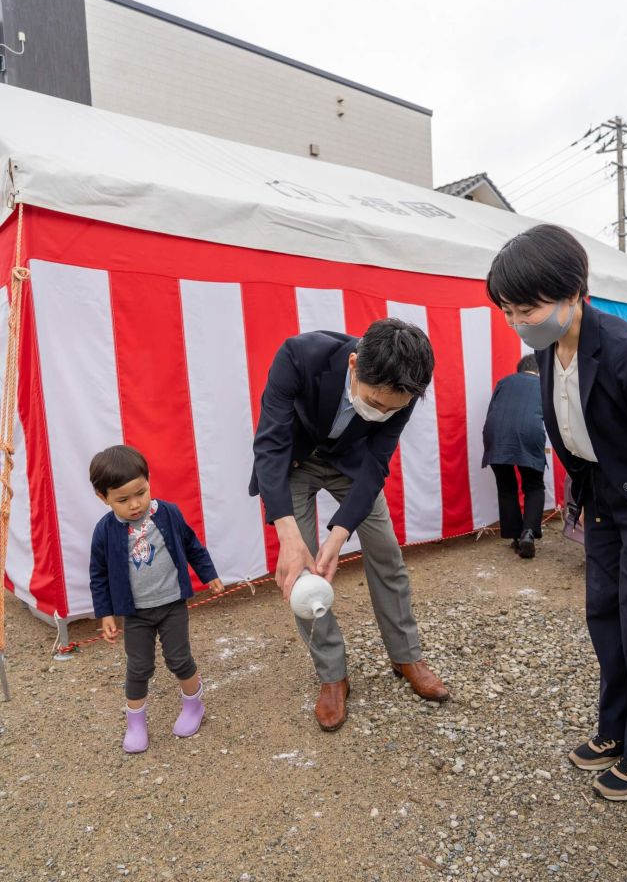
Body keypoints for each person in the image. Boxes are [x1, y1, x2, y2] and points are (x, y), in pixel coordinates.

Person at [487, 223, 627, 801]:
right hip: (604, 497)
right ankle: (616, 729)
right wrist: (582, 501)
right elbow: (573, 436)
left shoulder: (626, 351)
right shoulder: (545, 349)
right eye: (509, 310)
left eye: (528, 307)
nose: (519, 320)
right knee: (605, 616)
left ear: (574, 292)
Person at [250, 317, 449, 732]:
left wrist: (340, 534)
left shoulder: (404, 386)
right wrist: (288, 534)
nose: (382, 412)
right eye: (375, 403)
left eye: (392, 408)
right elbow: (271, 442)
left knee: (387, 555)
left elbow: (377, 461)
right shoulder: (300, 356)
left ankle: (406, 655)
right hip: (295, 463)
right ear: (354, 364)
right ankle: (332, 673)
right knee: (303, 577)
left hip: (353, 468)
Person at [89, 445, 224, 753]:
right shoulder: (105, 531)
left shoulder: (168, 514)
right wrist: (105, 613)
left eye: (141, 492)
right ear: (103, 498)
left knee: (179, 659)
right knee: (138, 666)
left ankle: (193, 706)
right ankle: (135, 724)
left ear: (149, 481)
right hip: (135, 613)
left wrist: (209, 574)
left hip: (172, 604)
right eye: (123, 500)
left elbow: (192, 545)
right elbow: (98, 574)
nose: (135, 504)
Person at [482, 353, 546, 558]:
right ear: (538, 371)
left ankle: (516, 537)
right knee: (534, 484)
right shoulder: (543, 385)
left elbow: (493, 410)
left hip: (496, 434)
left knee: (506, 486)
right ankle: (528, 532)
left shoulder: (504, 382)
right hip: (529, 433)